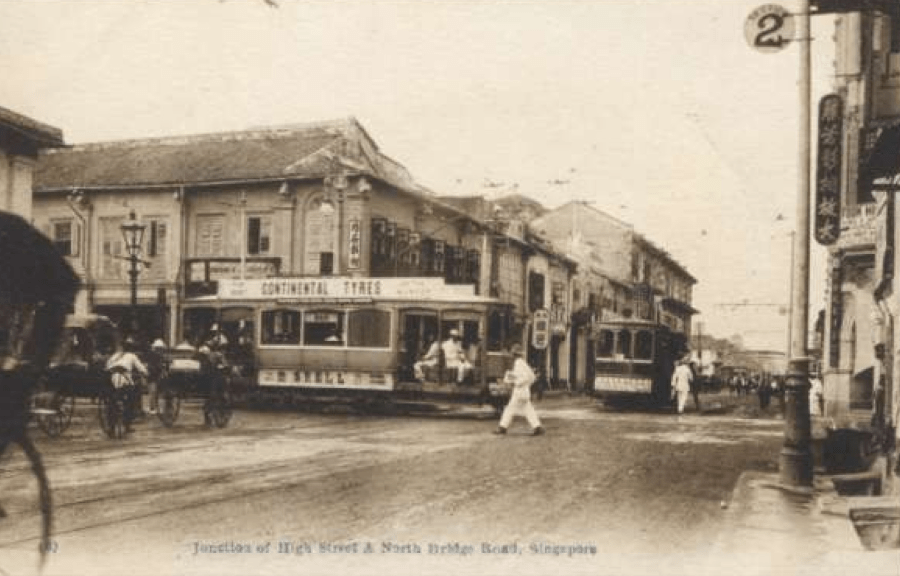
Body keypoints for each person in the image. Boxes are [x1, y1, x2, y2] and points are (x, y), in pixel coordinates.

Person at [494, 344, 544, 436]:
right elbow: (532, 377)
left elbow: (522, 378)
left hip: (519, 391)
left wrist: (516, 382)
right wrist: (526, 384)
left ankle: (502, 427)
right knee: (528, 409)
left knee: (510, 409)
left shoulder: (518, 364)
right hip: (525, 391)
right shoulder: (523, 363)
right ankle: (537, 427)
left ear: (514, 355)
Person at [106, 337, 149, 432]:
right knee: (131, 400)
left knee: (112, 402)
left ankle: (111, 426)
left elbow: (108, 366)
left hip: (111, 379)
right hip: (124, 380)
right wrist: (145, 373)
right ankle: (127, 425)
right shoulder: (132, 356)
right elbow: (141, 368)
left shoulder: (115, 355)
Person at [146, 338, 167, 415]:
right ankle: (152, 408)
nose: (160, 350)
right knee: (153, 392)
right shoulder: (154, 355)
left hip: (155, 375)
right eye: (159, 348)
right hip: (152, 376)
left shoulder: (158, 356)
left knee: (155, 392)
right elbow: (153, 366)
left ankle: (154, 407)